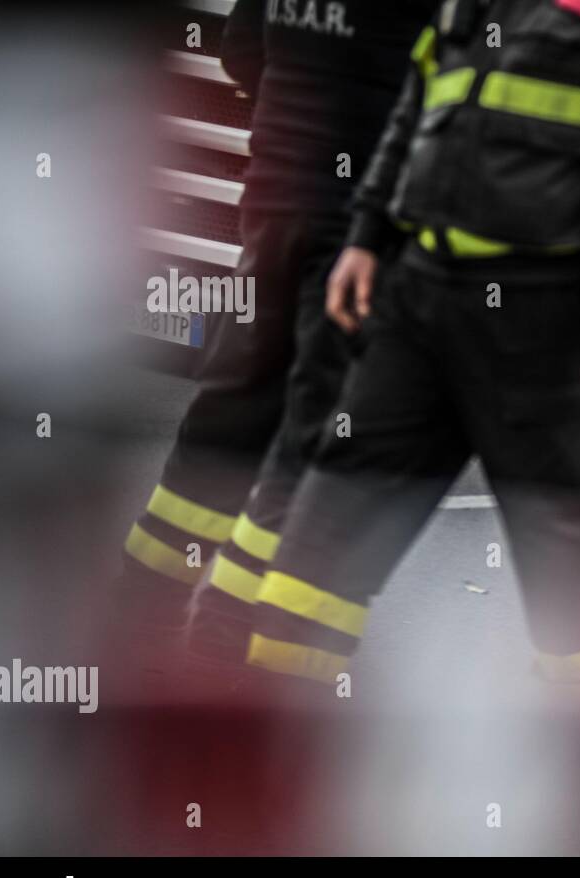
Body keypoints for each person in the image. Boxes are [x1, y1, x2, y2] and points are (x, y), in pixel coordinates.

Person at [189, 0, 580, 687]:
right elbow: (417, 110)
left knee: (558, 548)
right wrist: (369, 238)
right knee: (327, 532)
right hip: (423, 295)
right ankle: (272, 736)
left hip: (542, 315)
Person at [113, 0, 435, 661]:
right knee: (317, 434)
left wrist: (298, 118)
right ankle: (233, 643)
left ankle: (141, 611)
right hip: (363, 228)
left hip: (277, 198)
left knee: (233, 407)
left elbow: (240, 47)